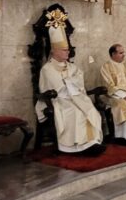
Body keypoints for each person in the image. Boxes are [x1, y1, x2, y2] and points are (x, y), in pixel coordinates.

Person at [37, 26, 105, 155]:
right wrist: (70, 81)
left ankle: (92, 142)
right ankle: (76, 147)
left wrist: (69, 82)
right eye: (64, 50)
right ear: (55, 51)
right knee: (76, 112)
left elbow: (79, 81)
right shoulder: (47, 69)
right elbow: (54, 88)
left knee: (90, 109)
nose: (68, 52)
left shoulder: (72, 67)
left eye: (68, 50)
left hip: (75, 97)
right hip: (58, 100)